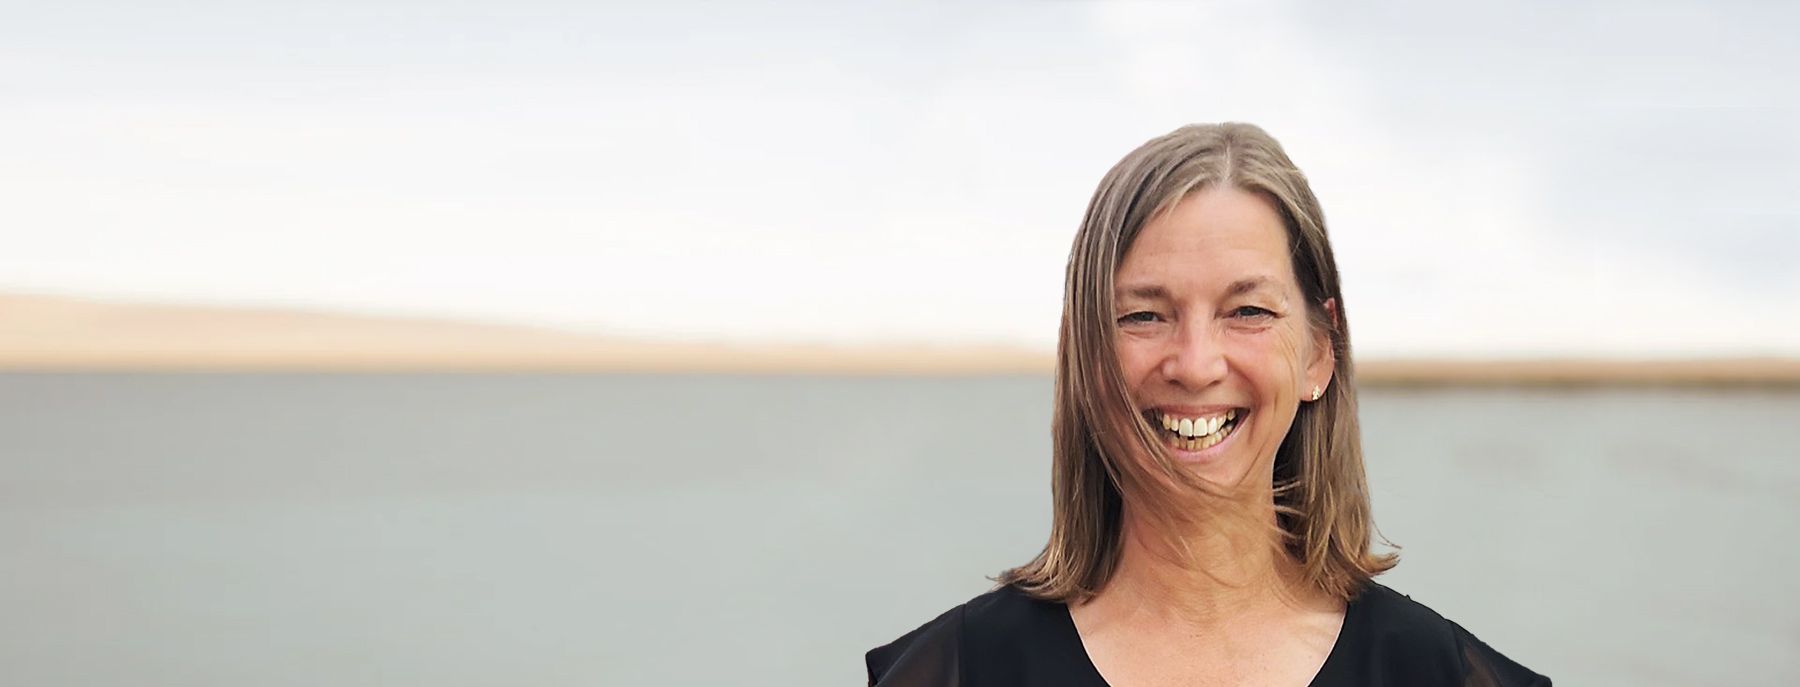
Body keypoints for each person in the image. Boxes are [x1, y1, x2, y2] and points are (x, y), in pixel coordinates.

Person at [865, 123, 1550, 686]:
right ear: (1085, 355)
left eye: (1247, 311)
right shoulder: (957, 670)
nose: (1195, 365)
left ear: (1319, 352)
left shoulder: (1437, 673)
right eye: (1143, 315)